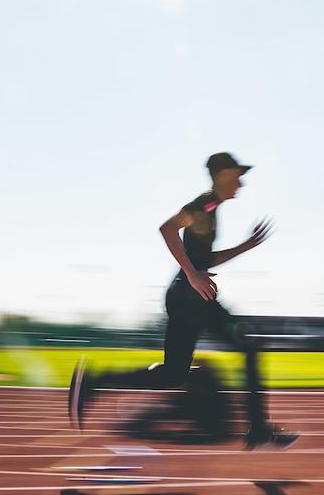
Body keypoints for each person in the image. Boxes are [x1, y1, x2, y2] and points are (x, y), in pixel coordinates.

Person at [69, 152, 297, 448]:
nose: (241, 183)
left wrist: (244, 247)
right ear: (224, 175)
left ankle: (93, 382)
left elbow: (206, 257)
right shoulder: (206, 202)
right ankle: (258, 431)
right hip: (192, 297)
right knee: (250, 347)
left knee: (172, 374)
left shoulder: (211, 208)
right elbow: (167, 229)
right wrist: (192, 274)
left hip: (185, 297)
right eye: (237, 175)